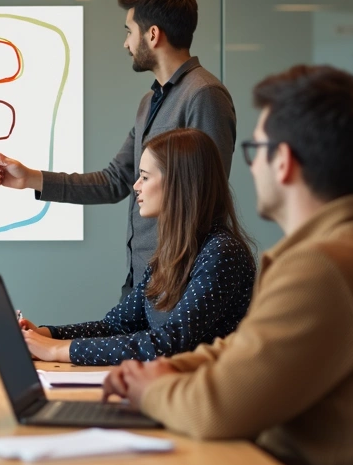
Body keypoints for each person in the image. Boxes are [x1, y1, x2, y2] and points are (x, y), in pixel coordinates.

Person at [102, 65, 353, 465]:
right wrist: (168, 369)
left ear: (284, 161)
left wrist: (151, 388)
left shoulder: (324, 267)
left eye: (255, 148)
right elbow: (243, 351)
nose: (249, 164)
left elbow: (215, 411)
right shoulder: (349, 246)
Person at [0, 0, 236, 303]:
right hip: (143, 278)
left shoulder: (204, 94)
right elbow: (114, 181)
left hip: (181, 283)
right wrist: (28, 179)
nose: (126, 43)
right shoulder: (150, 102)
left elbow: (206, 198)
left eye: (128, 31)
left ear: (153, 34)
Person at [19, 128, 254, 365]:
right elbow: (116, 326)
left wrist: (58, 351)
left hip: (203, 399)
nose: (136, 186)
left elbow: (168, 344)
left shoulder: (222, 253)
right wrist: (45, 335)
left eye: (145, 176)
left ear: (178, 182)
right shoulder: (171, 253)